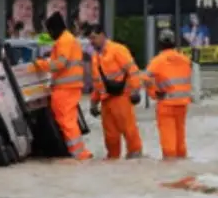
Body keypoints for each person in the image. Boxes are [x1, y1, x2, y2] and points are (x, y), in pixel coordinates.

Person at [28, 12, 92, 160]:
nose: (49, 35)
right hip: (69, 87)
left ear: (55, 29)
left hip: (65, 88)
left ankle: (78, 154)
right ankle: (78, 152)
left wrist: (40, 64)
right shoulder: (68, 40)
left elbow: (59, 64)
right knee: (68, 120)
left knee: (66, 120)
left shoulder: (64, 41)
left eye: (49, 31)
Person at [85, 24, 144, 160]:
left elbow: (133, 70)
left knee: (128, 129)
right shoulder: (95, 57)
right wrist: (94, 102)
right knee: (110, 134)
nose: (92, 42)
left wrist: (135, 90)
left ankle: (135, 155)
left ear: (103, 35)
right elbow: (97, 83)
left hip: (122, 97)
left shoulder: (118, 50)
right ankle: (113, 159)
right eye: (90, 39)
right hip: (106, 100)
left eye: (94, 38)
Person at [145, 29, 193, 159]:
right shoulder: (185, 60)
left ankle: (170, 172)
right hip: (182, 104)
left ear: (159, 44)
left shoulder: (157, 61)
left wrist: (154, 93)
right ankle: (183, 171)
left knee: (169, 144)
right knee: (180, 140)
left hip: (166, 104)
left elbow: (145, 78)